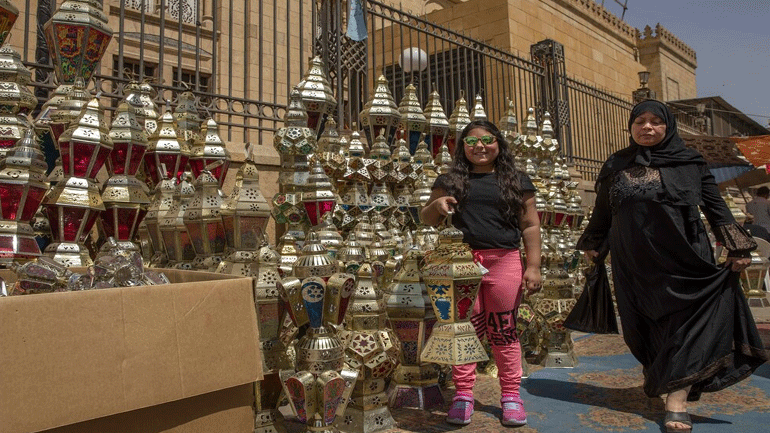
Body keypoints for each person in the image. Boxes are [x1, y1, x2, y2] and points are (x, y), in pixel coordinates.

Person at [576, 100, 768, 433]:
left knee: (685, 324)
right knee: (642, 326)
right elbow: (604, 213)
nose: (647, 127)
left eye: (655, 122)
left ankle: (677, 401)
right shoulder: (616, 163)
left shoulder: (691, 161)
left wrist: (738, 246)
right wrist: (594, 245)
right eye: (640, 121)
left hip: (684, 258)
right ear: (631, 126)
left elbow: (716, 206)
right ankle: (665, 374)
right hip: (633, 263)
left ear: (668, 126)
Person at [421, 120, 542, 427]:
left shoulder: (516, 179)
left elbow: (530, 225)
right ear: (462, 148)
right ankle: (463, 394)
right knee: (464, 329)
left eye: (487, 140)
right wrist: (438, 203)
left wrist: (534, 265)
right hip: (461, 265)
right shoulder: (449, 180)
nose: (480, 146)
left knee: (503, 329)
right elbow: (426, 218)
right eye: (471, 142)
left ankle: (511, 395)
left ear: (498, 143)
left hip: (504, 261)